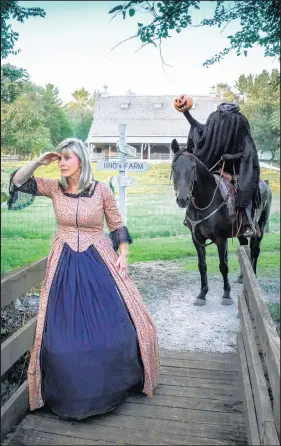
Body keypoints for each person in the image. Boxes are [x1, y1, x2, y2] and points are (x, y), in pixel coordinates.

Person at [8, 138, 160, 420]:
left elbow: (117, 225)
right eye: (60, 158)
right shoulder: (54, 188)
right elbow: (17, 182)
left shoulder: (101, 190)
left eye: (68, 158)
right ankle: (68, 390)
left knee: (116, 329)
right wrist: (40, 161)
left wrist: (123, 254)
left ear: (81, 160)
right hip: (64, 262)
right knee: (60, 336)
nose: (62, 163)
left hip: (98, 259)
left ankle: (112, 384)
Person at [183, 103, 261, 236]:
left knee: (244, 189)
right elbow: (199, 127)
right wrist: (186, 113)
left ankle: (248, 224)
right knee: (199, 185)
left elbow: (248, 154)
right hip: (217, 167)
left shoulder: (241, 127)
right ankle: (192, 218)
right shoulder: (214, 125)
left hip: (238, 172)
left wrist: (231, 157)